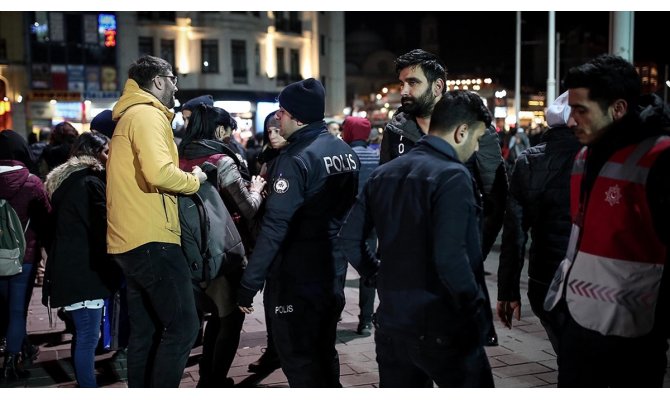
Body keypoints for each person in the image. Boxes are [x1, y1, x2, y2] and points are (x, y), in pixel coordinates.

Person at [338, 90, 494, 387]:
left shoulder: (384, 174)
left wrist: (376, 273)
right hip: (441, 325)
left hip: (393, 323)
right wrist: (474, 309)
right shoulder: (453, 176)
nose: (475, 149)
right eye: (477, 139)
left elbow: (349, 238)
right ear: (462, 132)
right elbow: (451, 258)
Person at [544, 54, 670, 387]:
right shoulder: (585, 154)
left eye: (581, 110)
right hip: (577, 323)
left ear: (617, 109)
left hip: (631, 336)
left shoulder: (660, 158)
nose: (571, 121)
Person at [236, 78, 359, 387]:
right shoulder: (343, 151)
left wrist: (249, 282)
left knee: (300, 360)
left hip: (296, 279)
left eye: (282, 112)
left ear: (297, 117)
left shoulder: (295, 160)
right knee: (323, 351)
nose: (277, 118)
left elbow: (276, 228)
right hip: (331, 270)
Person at [380, 48, 505, 346]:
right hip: (404, 270)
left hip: (453, 268)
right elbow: (383, 195)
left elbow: (496, 198)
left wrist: (473, 252)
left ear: (437, 86)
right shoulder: (395, 130)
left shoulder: (476, 130)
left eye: (413, 83)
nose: (404, 90)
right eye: (402, 83)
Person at [106, 55, 206, 388]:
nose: (177, 86)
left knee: (146, 331)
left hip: (131, 237)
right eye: (173, 78)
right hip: (152, 237)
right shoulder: (147, 115)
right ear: (159, 81)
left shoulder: (131, 114)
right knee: (184, 327)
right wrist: (195, 179)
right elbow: (159, 173)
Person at [178, 103, 266, 387]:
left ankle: (208, 376)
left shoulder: (177, 157)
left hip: (186, 247)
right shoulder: (222, 161)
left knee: (214, 314)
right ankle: (214, 381)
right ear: (219, 130)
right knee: (230, 319)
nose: (230, 136)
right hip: (224, 249)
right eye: (229, 130)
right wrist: (256, 189)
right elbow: (249, 208)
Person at [496, 91, 580, 355]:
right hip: (593, 279)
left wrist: (508, 291)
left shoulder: (530, 160)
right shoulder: (598, 157)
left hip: (544, 277)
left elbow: (515, 233)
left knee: (567, 360)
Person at [42, 132, 119, 388]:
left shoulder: (67, 181)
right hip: (84, 270)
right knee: (87, 335)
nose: (110, 156)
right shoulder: (89, 182)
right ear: (94, 153)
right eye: (106, 151)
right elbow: (102, 230)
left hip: (70, 267)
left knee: (82, 334)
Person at [0, 130, 51, 381]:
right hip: (24, 257)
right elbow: (45, 219)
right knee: (17, 310)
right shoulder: (32, 182)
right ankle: (12, 361)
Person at [246, 110, 286, 375]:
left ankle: (286, 349)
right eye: (268, 131)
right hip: (269, 238)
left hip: (293, 242)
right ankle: (274, 350)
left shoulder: (297, 156)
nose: (272, 135)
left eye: (277, 129)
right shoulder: (266, 158)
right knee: (272, 299)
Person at [341, 116, 379, 335]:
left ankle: (335, 311)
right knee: (368, 268)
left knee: (338, 271)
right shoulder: (376, 157)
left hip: (343, 221)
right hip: (370, 222)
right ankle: (365, 320)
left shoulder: (343, 156)